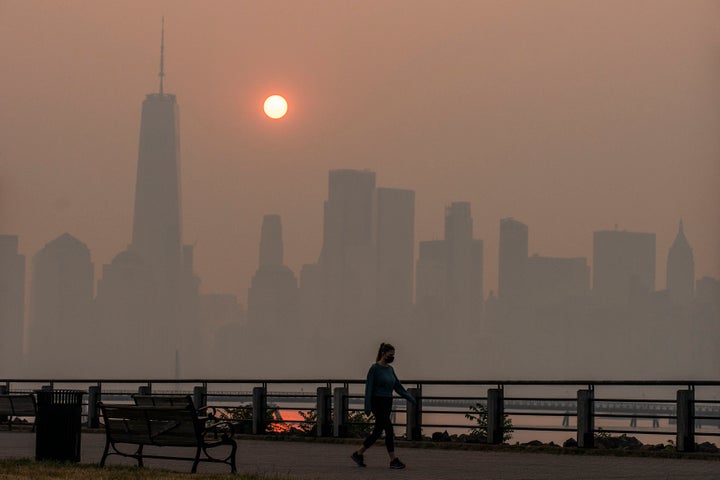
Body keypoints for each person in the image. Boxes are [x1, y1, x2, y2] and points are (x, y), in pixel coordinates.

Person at [351, 342, 416, 469]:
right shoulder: (374, 369)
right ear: (383, 353)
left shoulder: (390, 370)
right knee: (389, 429)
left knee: (377, 431)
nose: (392, 357)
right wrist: (367, 406)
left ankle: (358, 454)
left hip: (387, 402)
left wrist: (409, 397)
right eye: (390, 355)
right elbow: (369, 388)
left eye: (393, 355)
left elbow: (397, 386)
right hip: (377, 402)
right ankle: (393, 460)